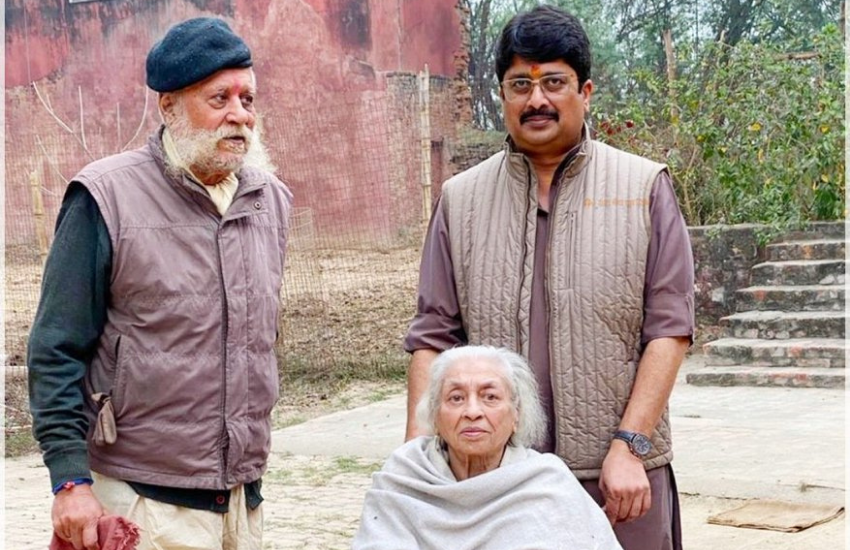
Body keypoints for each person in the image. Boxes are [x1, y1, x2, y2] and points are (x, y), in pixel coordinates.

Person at [404, 6, 694, 550]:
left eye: (553, 82)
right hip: (490, 479)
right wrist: (418, 457)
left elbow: (669, 330)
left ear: (584, 92)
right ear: (502, 97)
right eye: (520, 84)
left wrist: (630, 446)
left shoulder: (643, 187)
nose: (536, 99)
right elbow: (433, 336)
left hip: (616, 479)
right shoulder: (459, 200)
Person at [27, 17, 292, 550]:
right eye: (219, 98)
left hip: (242, 501)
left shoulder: (270, 200)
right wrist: (70, 480)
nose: (239, 116)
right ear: (168, 107)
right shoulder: (105, 198)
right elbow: (55, 348)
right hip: (139, 503)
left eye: (248, 99)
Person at [353, 346, 622, 550]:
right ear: (435, 414)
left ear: (516, 414)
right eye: (456, 398)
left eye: (490, 397)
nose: (472, 411)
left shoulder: (547, 484)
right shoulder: (406, 473)